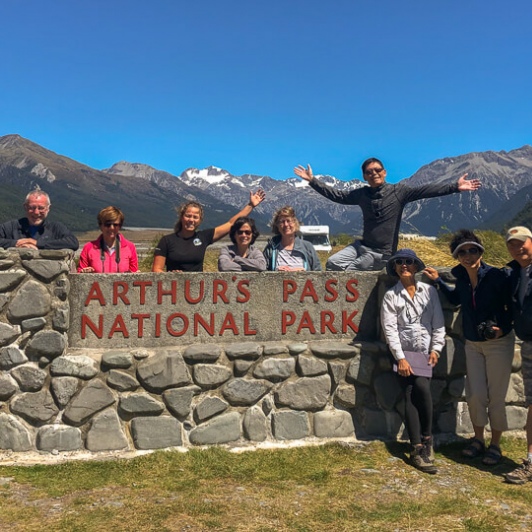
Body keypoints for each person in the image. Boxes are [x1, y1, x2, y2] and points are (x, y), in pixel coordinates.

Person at [424, 229, 513, 466]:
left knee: (496, 396)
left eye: (472, 250)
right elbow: (455, 300)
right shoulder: (462, 278)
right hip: (473, 343)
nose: (468, 255)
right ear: (457, 256)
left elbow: (511, 306)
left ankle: (495, 444)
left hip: (498, 344)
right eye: (462, 252)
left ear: (480, 251)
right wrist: (437, 281)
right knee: (474, 395)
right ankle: (478, 439)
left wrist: (502, 328)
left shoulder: (496, 276)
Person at [294, 159, 481, 271]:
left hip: (380, 253)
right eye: (369, 172)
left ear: (384, 172)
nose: (374, 173)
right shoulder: (361, 194)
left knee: (352, 271)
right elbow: (337, 196)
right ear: (364, 177)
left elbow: (425, 190)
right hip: (361, 246)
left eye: (377, 170)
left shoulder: (399, 192)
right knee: (333, 263)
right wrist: (312, 181)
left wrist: (455, 187)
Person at [381, 249, 445, 474]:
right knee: (409, 392)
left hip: (424, 351)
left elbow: (438, 323)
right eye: (399, 263)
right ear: (395, 268)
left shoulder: (430, 292)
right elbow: (390, 330)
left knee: (422, 389)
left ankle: (426, 438)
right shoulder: (391, 296)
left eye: (408, 262)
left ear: (416, 267)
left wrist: (436, 349)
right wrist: (400, 358)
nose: (404, 266)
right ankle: (417, 446)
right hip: (403, 352)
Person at [152, 189, 265, 272]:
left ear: (200, 220)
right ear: (181, 217)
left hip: (197, 291)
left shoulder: (203, 237)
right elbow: (156, 269)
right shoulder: (167, 241)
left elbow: (231, 223)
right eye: (188, 216)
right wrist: (171, 276)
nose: (191, 220)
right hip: (173, 290)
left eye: (195, 217)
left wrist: (251, 205)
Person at [503, 226, 532, 484]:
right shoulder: (513, 273)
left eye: (522, 242)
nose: (518, 247)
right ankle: (530, 462)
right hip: (528, 343)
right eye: (512, 244)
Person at [0, 190, 79, 250]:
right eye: (32, 208)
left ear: (48, 208)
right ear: (25, 207)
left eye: (41, 208)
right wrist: (16, 243)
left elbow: (73, 243)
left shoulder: (56, 228)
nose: (36, 212)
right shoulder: (11, 226)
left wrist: (37, 243)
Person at [78, 206, 138, 273]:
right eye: (107, 225)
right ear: (100, 226)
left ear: (120, 226)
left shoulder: (130, 247)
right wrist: (84, 272)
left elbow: (134, 277)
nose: (111, 228)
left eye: (115, 225)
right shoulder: (88, 248)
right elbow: (79, 277)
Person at [263, 206, 321, 271]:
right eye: (282, 222)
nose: (286, 224)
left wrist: (305, 274)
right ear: (277, 226)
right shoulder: (271, 248)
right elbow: (263, 272)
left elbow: (318, 272)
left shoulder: (307, 247)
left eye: (289, 221)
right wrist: (276, 272)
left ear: (295, 223)